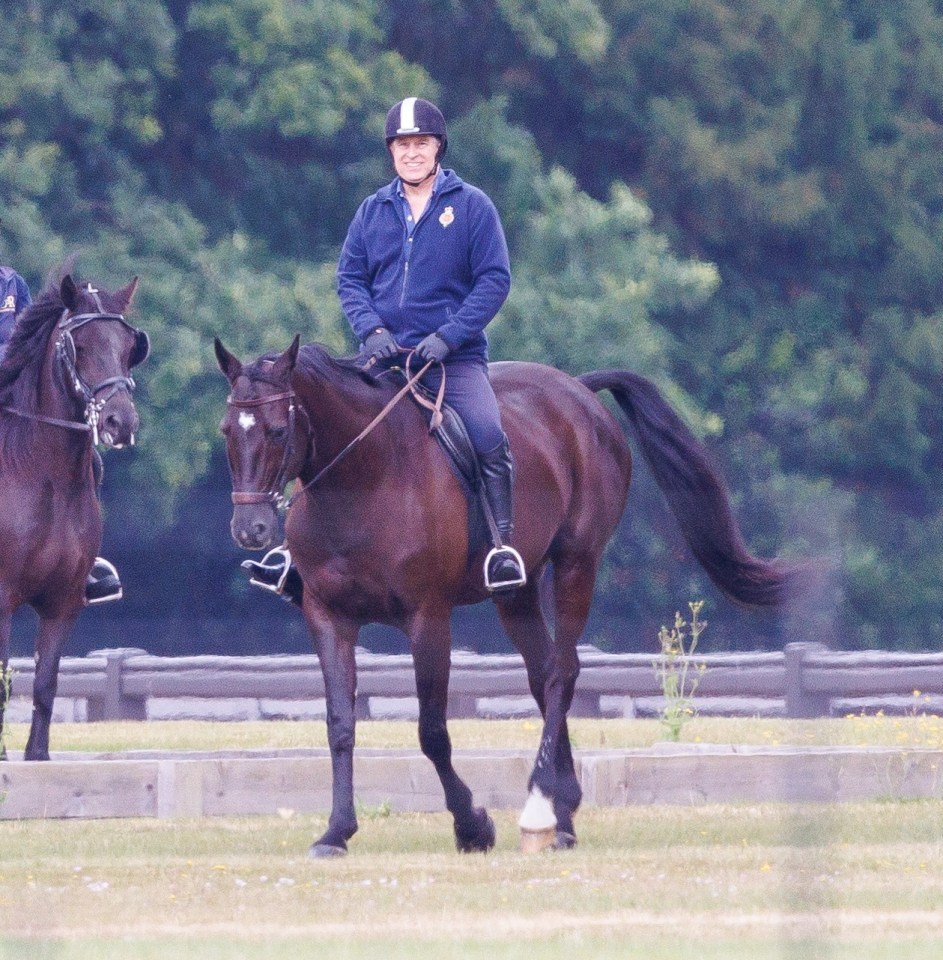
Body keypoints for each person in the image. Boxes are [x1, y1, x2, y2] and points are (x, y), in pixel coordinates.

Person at [338, 96, 526, 593]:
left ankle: (501, 548)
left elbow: (494, 281)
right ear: (391, 152)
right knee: (322, 418)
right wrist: (372, 331)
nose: (412, 153)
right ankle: (298, 553)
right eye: (403, 145)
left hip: (453, 360)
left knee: (487, 432)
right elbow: (350, 279)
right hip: (384, 356)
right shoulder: (372, 211)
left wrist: (449, 336)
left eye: (420, 143)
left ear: (438, 147)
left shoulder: (471, 207)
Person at [0, 261, 123, 605]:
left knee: (89, 462)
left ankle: (80, 565)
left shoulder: (12, 281)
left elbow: (29, 336)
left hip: (9, 392)